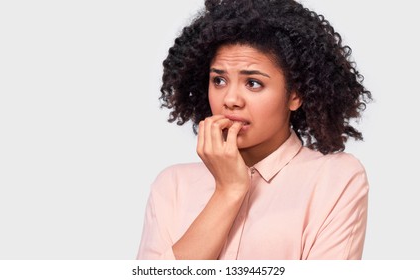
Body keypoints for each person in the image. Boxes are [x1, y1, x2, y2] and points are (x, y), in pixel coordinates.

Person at [137, 0, 372, 260]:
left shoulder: (334, 178)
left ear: (295, 94)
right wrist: (228, 192)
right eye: (219, 80)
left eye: (253, 83)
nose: (230, 99)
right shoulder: (173, 186)